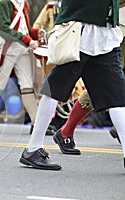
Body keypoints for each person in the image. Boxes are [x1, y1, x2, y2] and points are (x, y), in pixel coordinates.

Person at [19, 0, 125, 170]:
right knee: (55, 88)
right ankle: (33, 148)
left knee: (118, 96)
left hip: (105, 36)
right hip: (79, 32)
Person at [52, 0, 125, 155]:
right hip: (109, 20)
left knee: (109, 85)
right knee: (107, 84)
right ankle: (61, 133)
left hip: (106, 20)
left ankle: (62, 133)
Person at [0, 0, 55, 135]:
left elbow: (24, 29)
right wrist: (28, 39)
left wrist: (34, 33)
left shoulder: (23, 3)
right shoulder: (5, 3)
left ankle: (36, 123)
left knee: (27, 85)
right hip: (9, 48)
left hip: (22, 48)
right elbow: (3, 29)